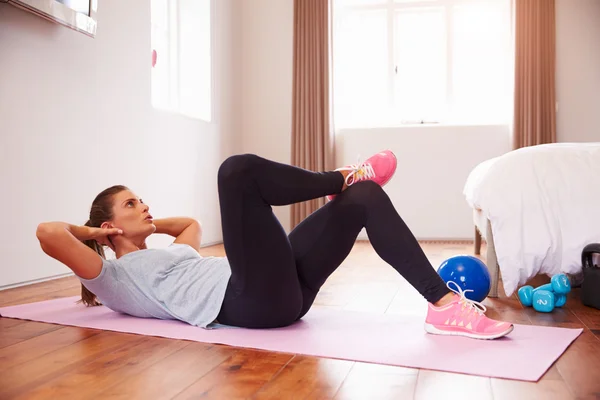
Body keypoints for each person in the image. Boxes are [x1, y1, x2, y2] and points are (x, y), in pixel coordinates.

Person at [36, 150, 513, 340]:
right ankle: (340, 177)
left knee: (366, 198)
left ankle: (443, 304)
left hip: (284, 288)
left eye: (142, 200)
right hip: (249, 301)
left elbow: (190, 225)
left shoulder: (174, 251)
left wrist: (148, 227)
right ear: (108, 225)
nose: (144, 207)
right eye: (130, 204)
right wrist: (97, 237)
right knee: (235, 172)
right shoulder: (112, 278)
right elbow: (49, 234)